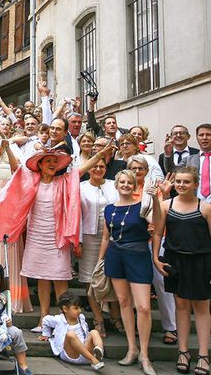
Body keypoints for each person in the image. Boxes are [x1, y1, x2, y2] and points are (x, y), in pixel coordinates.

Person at [0, 145, 111, 331]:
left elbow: (81, 169)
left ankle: (65, 322)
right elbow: (16, 168)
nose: (52, 164)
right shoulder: (32, 180)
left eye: (54, 161)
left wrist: (100, 153)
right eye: (48, 161)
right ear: (40, 165)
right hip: (36, 236)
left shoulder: (64, 181)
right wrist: (8, 148)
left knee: (60, 280)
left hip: (58, 237)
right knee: (42, 279)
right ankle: (44, 318)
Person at [97, 170, 157, 375]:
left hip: (138, 255)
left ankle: (145, 355)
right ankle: (132, 348)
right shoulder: (109, 209)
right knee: (123, 302)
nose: (125, 185)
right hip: (115, 256)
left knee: (143, 307)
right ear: (116, 185)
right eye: (121, 182)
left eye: (129, 182)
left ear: (134, 185)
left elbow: (157, 224)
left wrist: (157, 198)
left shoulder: (143, 205)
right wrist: (100, 261)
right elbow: (106, 237)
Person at [153, 167, 210, 375]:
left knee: (202, 307)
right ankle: (183, 352)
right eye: (178, 181)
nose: (181, 185)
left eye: (186, 182)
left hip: (200, 261)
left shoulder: (205, 208)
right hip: (175, 260)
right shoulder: (166, 205)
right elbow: (158, 234)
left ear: (196, 184)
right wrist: (156, 258)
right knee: (181, 305)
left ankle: (203, 355)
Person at [127, 154, 177, 345]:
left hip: (154, 241)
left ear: (147, 171)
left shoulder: (153, 189)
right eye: (134, 168)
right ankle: (135, 326)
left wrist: (163, 194)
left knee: (161, 282)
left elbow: (160, 214)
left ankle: (171, 327)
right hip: (132, 243)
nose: (137, 172)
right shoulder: (123, 186)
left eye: (141, 168)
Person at [0, 128, 31, 313]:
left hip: (9, 209)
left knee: (10, 249)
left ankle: (13, 298)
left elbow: (17, 169)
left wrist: (7, 147)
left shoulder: (11, 156)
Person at [78, 158, 121, 337]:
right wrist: (78, 240)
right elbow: (76, 214)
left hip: (113, 237)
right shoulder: (81, 187)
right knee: (90, 278)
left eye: (101, 166)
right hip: (89, 236)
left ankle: (116, 316)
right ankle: (98, 319)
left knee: (113, 277)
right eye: (94, 166)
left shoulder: (113, 185)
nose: (97, 169)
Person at [39, 292, 105, 371]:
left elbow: (86, 333)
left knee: (94, 332)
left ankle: (99, 351)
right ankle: (94, 360)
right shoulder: (58, 319)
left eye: (80, 307)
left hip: (85, 353)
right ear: (65, 309)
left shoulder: (81, 318)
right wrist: (46, 334)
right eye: (76, 308)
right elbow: (45, 319)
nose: (80, 310)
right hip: (71, 355)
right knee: (71, 334)